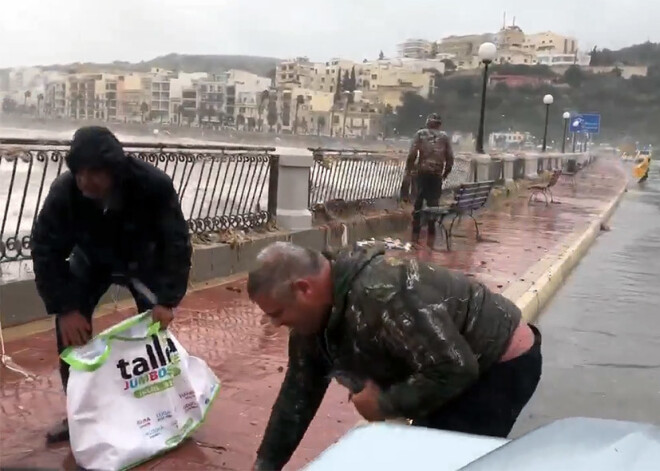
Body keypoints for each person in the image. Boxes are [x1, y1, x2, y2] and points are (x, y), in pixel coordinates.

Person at [248, 242, 542, 470]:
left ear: (304, 289)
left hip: (500, 364)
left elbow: (455, 368)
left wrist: (385, 404)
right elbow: (298, 393)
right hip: (440, 365)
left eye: (277, 314)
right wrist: (266, 465)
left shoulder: (383, 294)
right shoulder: (309, 320)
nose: (275, 324)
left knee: (449, 462)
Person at [31, 126, 192, 443]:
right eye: (78, 172)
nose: (85, 181)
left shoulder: (153, 184)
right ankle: (80, 413)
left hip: (141, 261)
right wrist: (65, 307)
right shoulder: (65, 192)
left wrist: (167, 300)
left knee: (154, 332)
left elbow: (176, 243)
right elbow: (44, 249)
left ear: (114, 169)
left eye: (94, 173)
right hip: (92, 259)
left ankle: (159, 408)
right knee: (70, 330)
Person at [404, 113, 455, 248]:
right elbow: (450, 159)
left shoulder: (420, 134)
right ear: (439, 125)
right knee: (433, 204)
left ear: (428, 123)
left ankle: (415, 234)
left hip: (421, 173)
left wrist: (409, 170)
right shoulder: (444, 137)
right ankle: (431, 232)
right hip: (436, 175)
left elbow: (412, 154)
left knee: (418, 204)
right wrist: (445, 174)